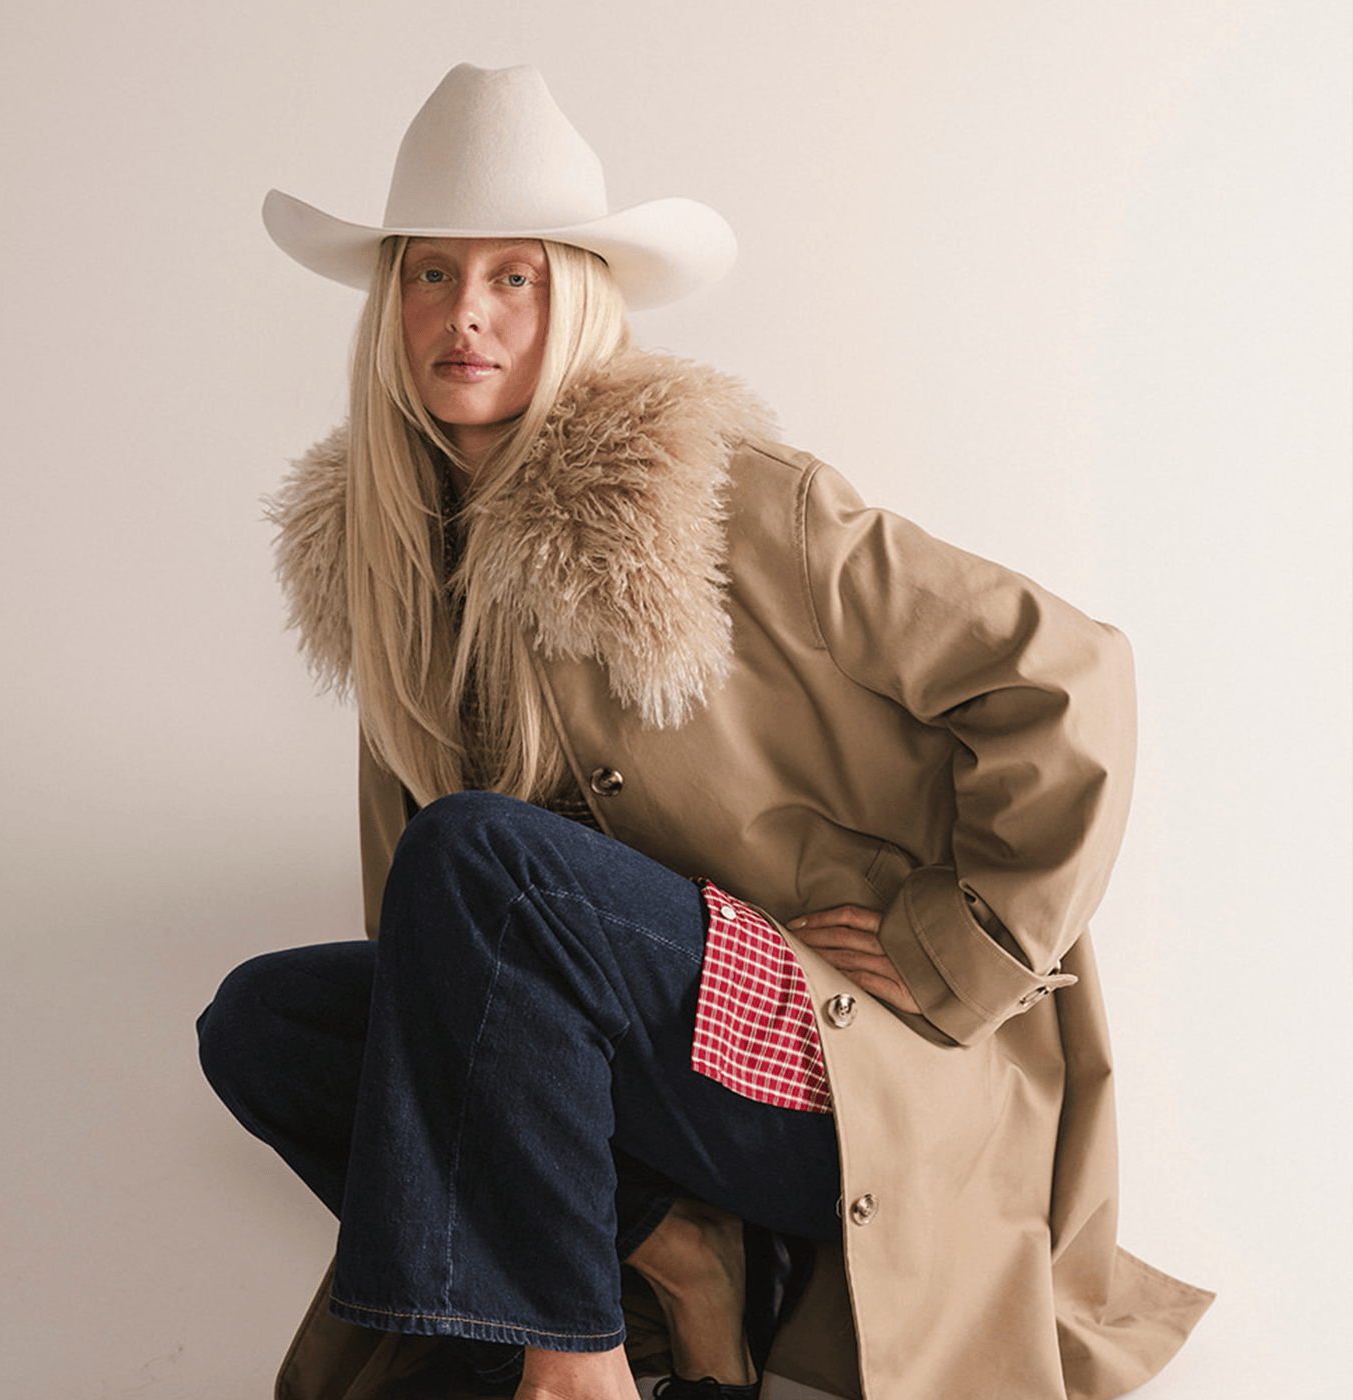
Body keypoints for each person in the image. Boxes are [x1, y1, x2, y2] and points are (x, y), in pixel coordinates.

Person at [197, 63, 1212, 1400]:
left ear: (577, 297)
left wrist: (962, 941)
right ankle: (672, 1254)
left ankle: (577, 1358)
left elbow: (1070, 674)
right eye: (432, 274)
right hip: (637, 1080)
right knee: (269, 1022)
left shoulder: (735, 503)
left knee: (482, 857)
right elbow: (423, 936)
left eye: (514, 277)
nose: (466, 313)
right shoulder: (394, 574)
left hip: (833, 1056)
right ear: (392, 304)